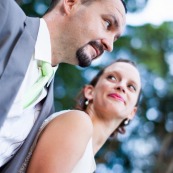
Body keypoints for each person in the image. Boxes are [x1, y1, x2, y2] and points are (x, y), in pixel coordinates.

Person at [0, 0, 127, 171]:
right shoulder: (4, 15)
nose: (110, 45)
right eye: (107, 23)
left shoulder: (47, 113)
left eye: (116, 38)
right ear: (70, 3)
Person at [18, 59, 142, 173]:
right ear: (89, 92)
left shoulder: (90, 162)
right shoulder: (78, 122)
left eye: (131, 87)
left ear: (132, 112)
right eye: (112, 78)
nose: (121, 86)